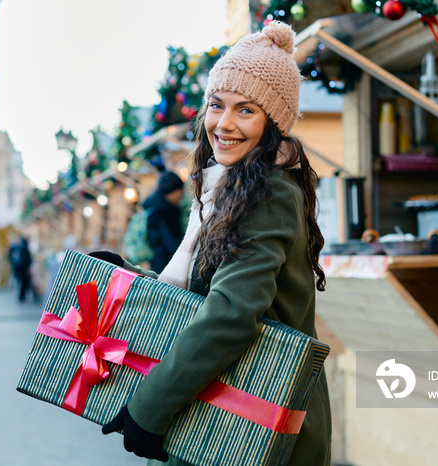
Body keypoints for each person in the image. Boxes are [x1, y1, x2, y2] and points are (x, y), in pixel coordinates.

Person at [95, 22, 331, 466]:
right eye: (216, 106)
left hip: (253, 420)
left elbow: (232, 313)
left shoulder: (267, 193)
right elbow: (207, 288)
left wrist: (150, 408)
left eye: (246, 110)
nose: (223, 124)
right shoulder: (225, 188)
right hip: (225, 412)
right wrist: (131, 274)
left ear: (274, 123)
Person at [143, 170, 185, 272]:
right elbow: (172, 243)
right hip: (165, 265)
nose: (181, 195)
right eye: (180, 190)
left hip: (157, 263)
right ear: (173, 191)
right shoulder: (164, 211)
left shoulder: (154, 207)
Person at [15, 236, 33, 302]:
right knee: (24, 283)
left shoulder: (22, 247)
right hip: (24, 268)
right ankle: (22, 297)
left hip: (22, 268)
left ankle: (22, 296)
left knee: (23, 283)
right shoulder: (24, 247)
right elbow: (26, 259)